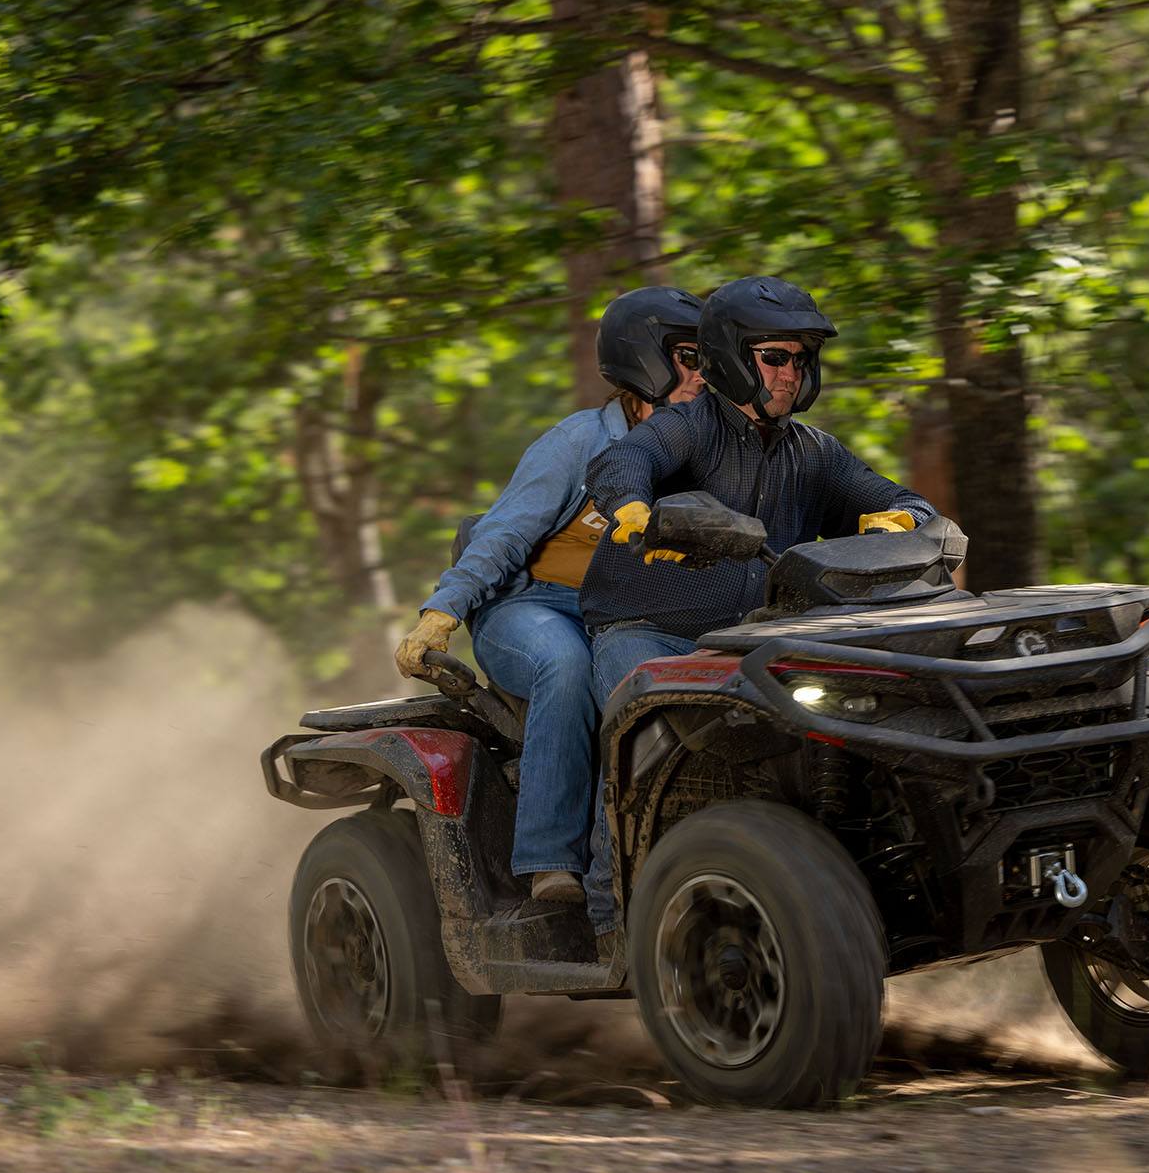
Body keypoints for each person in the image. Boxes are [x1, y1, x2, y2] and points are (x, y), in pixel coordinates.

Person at [577, 275, 935, 942]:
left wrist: (907, 518)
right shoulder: (688, 427)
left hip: (756, 638)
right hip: (652, 631)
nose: (790, 374)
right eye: (776, 357)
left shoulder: (812, 453)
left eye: (800, 359)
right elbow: (626, 461)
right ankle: (609, 921)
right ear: (735, 359)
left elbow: (888, 494)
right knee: (638, 727)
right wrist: (633, 510)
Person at [394, 286, 705, 905]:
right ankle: (550, 865)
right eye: (691, 359)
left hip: (626, 619)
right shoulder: (577, 440)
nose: (704, 377)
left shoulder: (706, 454)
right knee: (565, 665)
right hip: (532, 608)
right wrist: (442, 612)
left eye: (711, 363)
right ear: (645, 359)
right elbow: (504, 533)